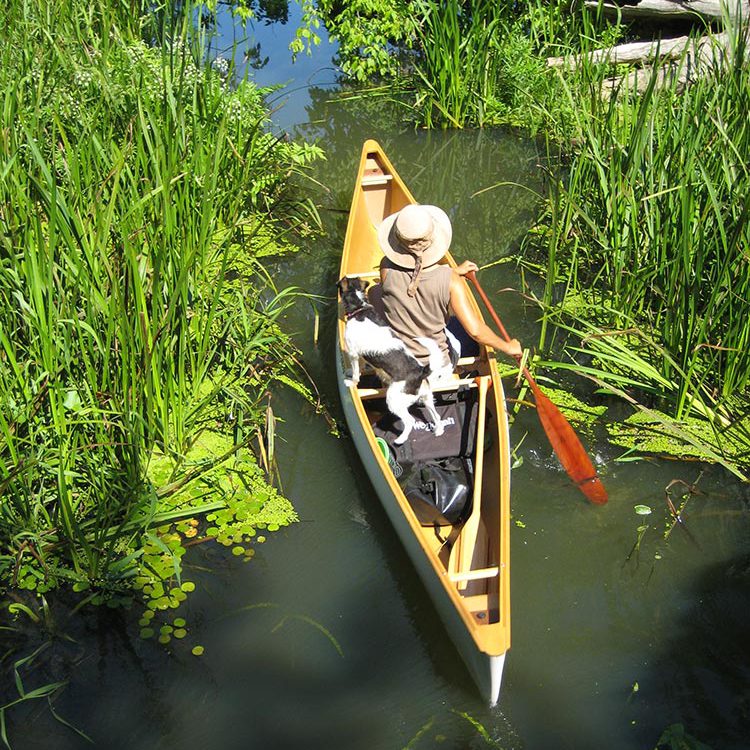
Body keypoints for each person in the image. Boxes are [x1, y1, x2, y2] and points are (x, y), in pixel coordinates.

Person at [377, 203, 522, 375]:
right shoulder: (450, 280)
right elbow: (475, 331)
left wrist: (453, 272)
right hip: (437, 369)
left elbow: (415, 282)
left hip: (397, 369)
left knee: (375, 292)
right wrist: (508, 347)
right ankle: (464, 369)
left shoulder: (386, 267)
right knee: (459, 327)